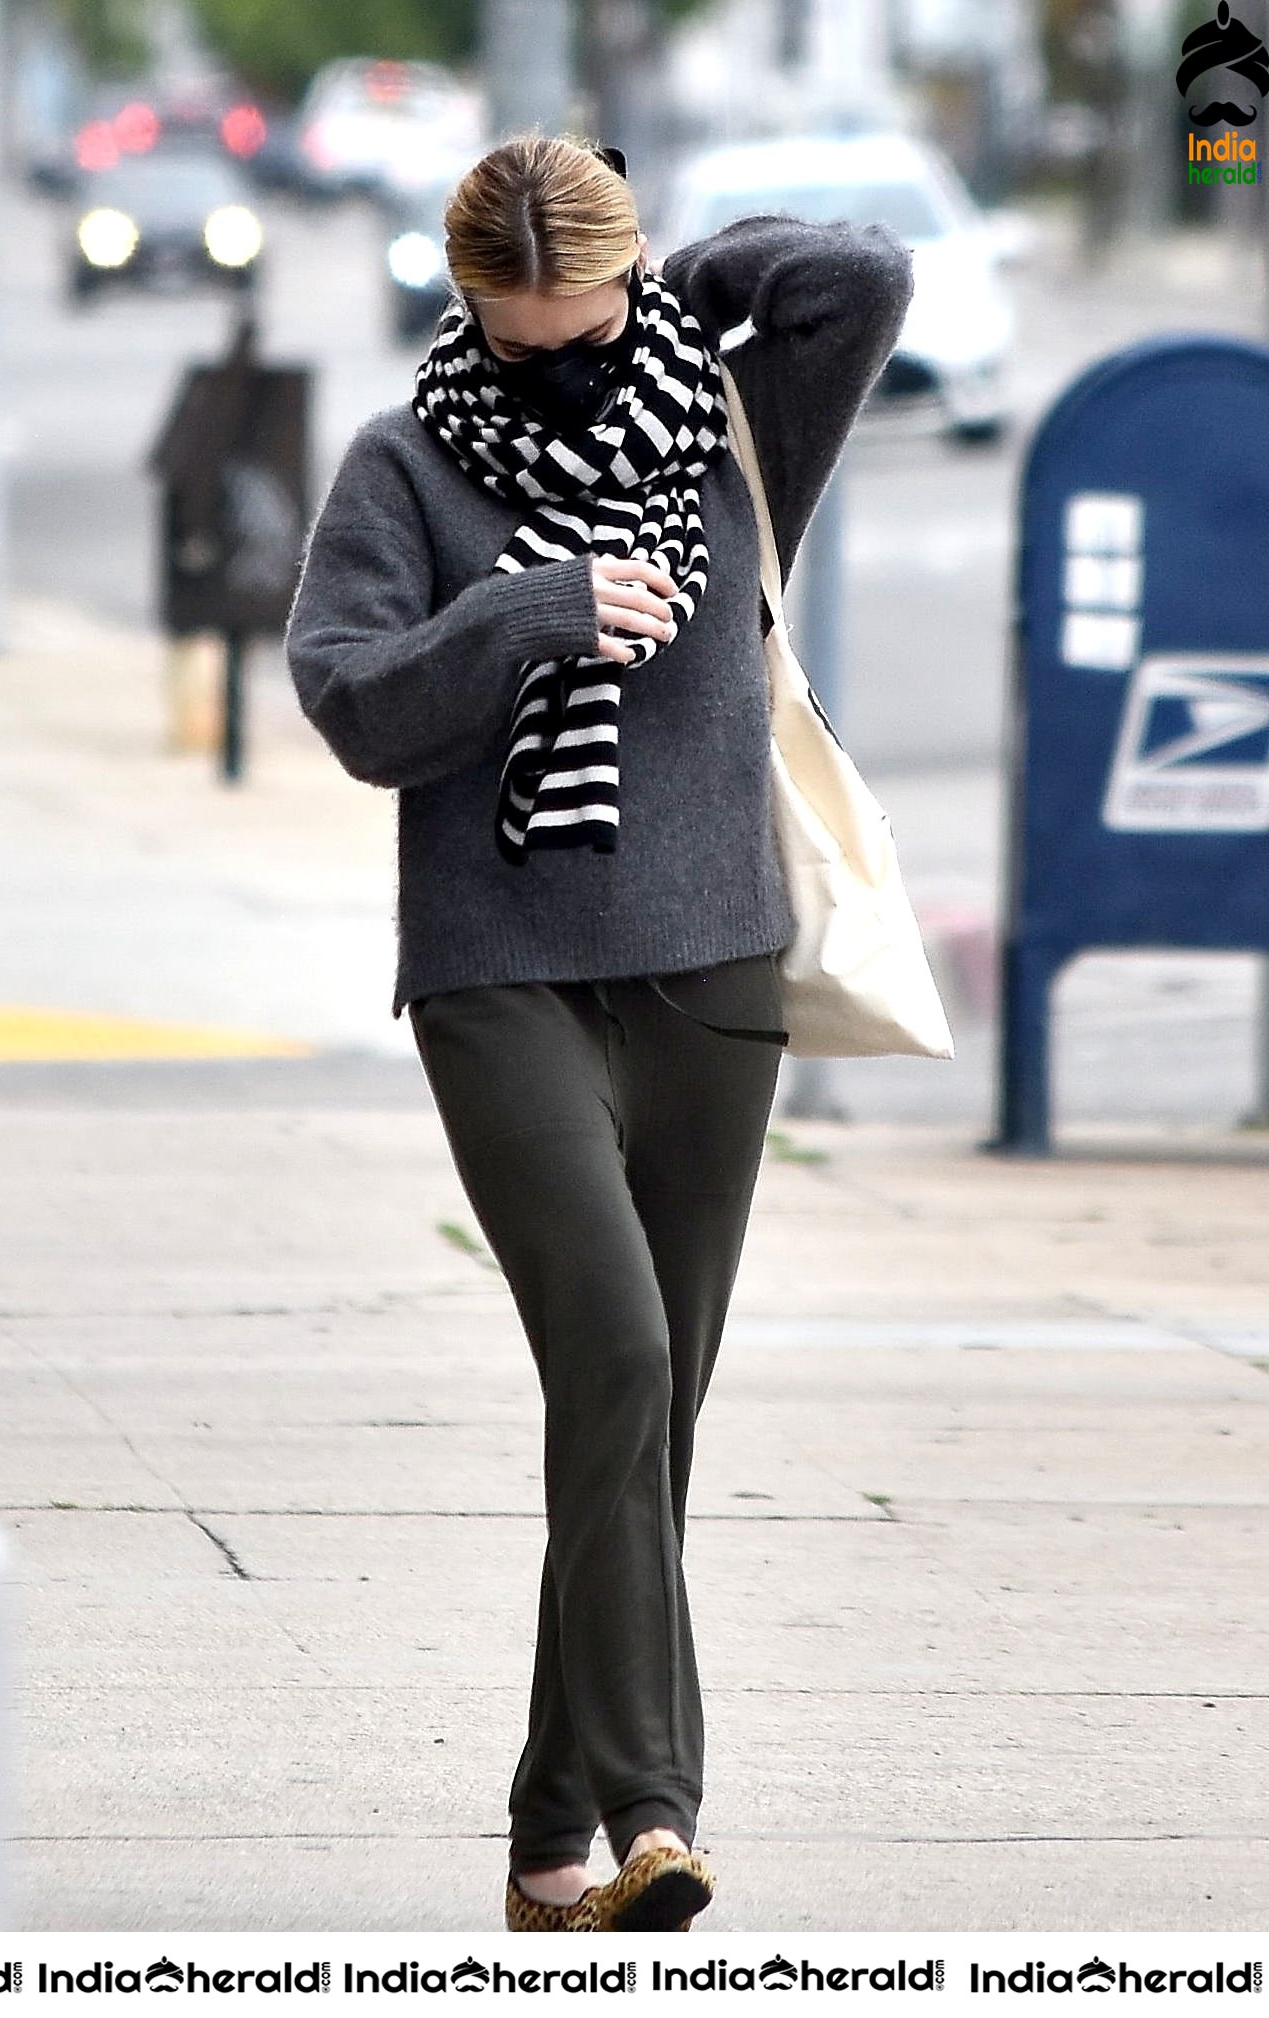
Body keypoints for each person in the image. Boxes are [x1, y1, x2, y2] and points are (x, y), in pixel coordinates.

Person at [285, 131, 913, 1934]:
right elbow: (352, 704)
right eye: (517, 334)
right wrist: (529, 611)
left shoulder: (725, 423)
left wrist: (679, 278)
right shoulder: (403, 466)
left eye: (589, 324)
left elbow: (858, 278)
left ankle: (547, 1836)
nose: (555, 363)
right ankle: (654, 1812)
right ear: (461, 302)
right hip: (502, 975)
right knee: (620, 1359)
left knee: (648, 1414)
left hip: (711, 970)